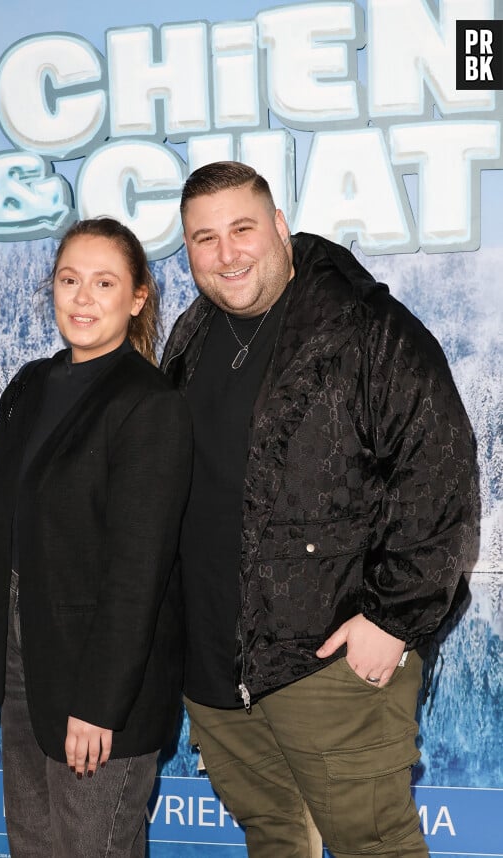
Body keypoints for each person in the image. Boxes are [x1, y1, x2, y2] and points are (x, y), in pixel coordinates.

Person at [161, 162, 480, 858]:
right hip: (217, 672)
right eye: (203, 238)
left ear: (279, 227)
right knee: (275, 839)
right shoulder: (190, 335)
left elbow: (440, 473)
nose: (226, 253)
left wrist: (394, 618)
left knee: (375, 845)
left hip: (330, 663)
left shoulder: (367, 328)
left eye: (242, 228)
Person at [0, 218, 192, 858]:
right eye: (69, 280)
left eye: (103, 282)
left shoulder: (148, 404)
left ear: (137, 298)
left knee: (89, 847)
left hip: (101, 678)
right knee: (34, 843)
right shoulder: (30, 385)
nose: (82, 298)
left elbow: (139, 571)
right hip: (22, 658)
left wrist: (100, 704)